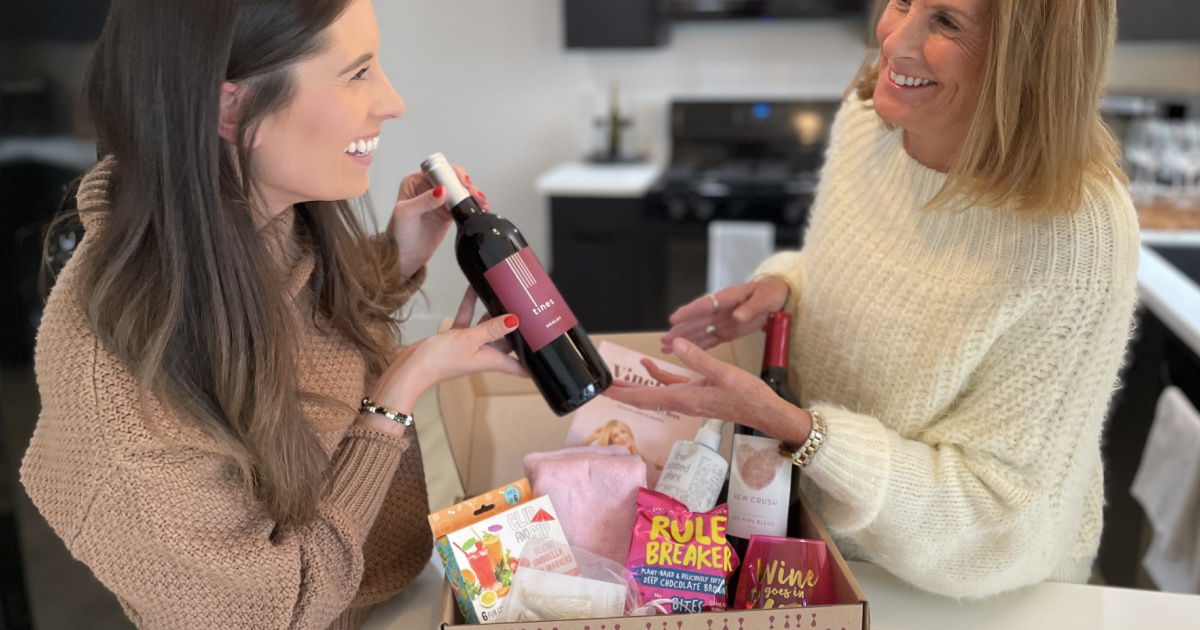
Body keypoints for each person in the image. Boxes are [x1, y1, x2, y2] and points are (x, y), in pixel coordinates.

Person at [606, 0, 1138, 598]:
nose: (894, 41)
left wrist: (794, 428)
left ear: (1029, 61)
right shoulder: (870, 119)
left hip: (978, 596)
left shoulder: (1076, 234)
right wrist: (788, 286)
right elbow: (861, 271)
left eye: (948, 23)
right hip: (819, 549)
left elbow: (1003, 518)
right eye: (904, 2)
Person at [19, 0, 523, 627]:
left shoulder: (251, 213)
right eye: (357, 73)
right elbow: (271, 613)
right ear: (230, 109)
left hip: (379, 599)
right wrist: (400, 391)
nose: (392, 102)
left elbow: (286, 335)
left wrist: (392, 258)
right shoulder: (119, 400)